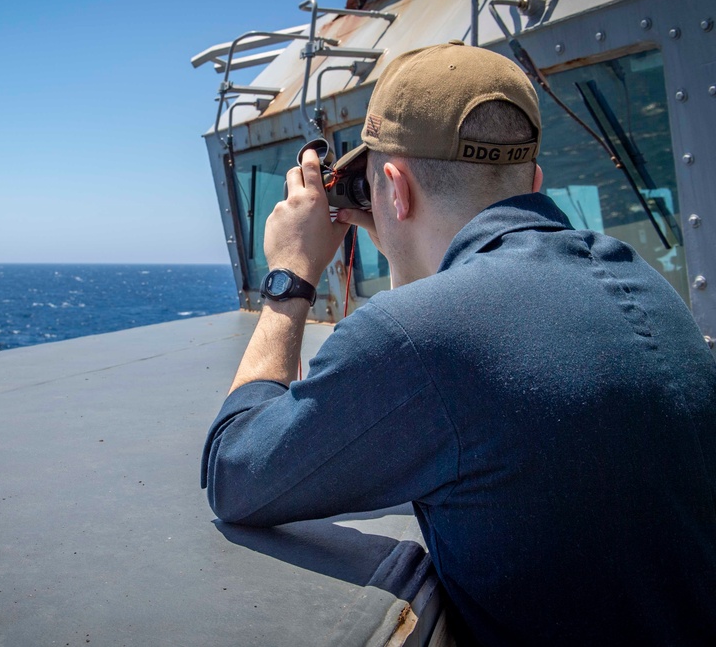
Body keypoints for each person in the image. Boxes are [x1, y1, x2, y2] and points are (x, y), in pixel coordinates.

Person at [200, 41, 716, 646]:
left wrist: (290, 278)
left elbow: (235, 472)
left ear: (393, 187)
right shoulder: (641, 282)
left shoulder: (415, 339)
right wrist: (405, 241)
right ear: (534, 180)